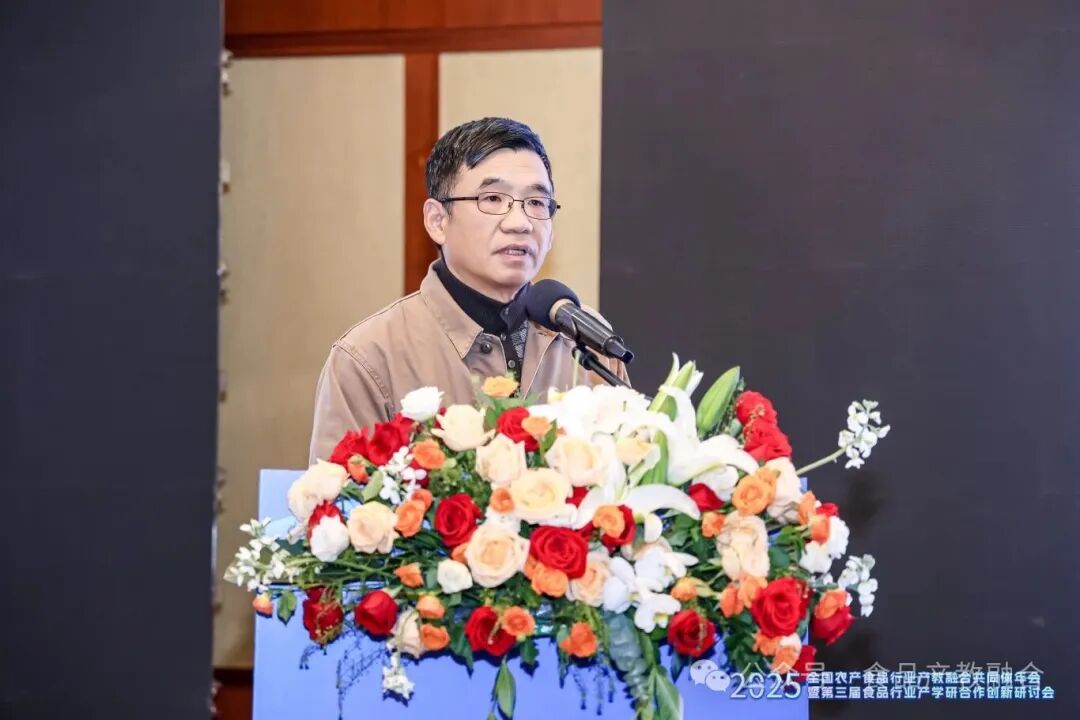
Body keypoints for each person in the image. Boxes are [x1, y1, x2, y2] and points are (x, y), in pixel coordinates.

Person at [308, 117, 628, 463]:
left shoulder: (584, 338)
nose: (520, 222)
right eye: (492, 198)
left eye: (537, 202)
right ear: (438, 221)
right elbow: (338, 495)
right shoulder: (369, 358)